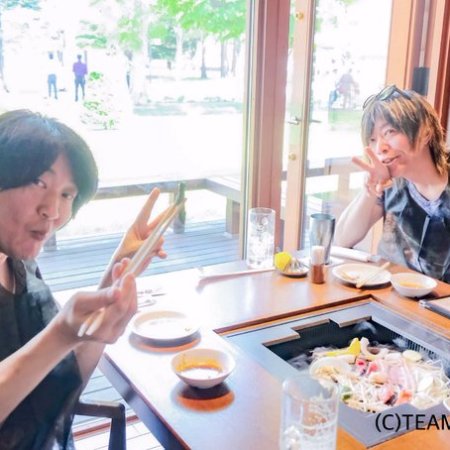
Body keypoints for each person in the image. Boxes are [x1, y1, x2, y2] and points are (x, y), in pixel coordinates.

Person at [0, 110, 166, 449]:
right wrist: (61, 334)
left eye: (67, 194)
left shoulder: (20, 267)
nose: (52, 211)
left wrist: (117, 277)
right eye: (39, 183)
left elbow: (63, 381)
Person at [335, 85, 450, 282]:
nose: (380, 147)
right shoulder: (389, 183)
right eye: (373, 139)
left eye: (389, 132)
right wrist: (369, 192)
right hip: (388, 293)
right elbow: (343, 239)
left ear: (425, 133)